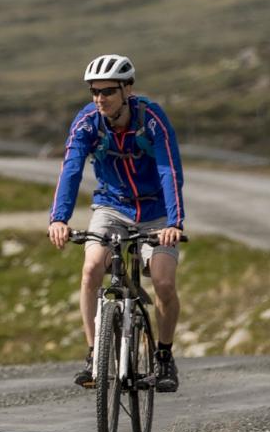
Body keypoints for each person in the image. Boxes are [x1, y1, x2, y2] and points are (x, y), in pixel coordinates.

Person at [46, 54, 186, 393]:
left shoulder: (151, 118)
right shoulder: (87, 122)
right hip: (111, 205)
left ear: (127, 89)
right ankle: (95, 355)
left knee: (164, 284)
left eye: (108, 91)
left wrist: (175, 221)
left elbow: (170, 168)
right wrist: (59, 218)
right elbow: (72, 168)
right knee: (92, 268)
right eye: (94, 92)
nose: (100, 99)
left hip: (156, 211)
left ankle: (164, 356)